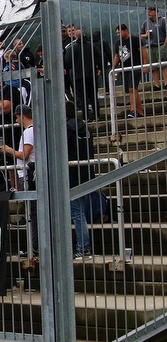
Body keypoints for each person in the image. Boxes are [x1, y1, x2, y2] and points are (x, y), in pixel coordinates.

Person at [0, 105, 37, 255]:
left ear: (22, 115)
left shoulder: (29, 131)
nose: (16, 120)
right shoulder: (34, 130)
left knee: (32, 213)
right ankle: (34, 246)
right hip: (29, 174)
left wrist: (9, 150)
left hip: (28, 175)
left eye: (16, 117)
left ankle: (34, 247)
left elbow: (25, 155)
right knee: (32, 212)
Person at [67, 101, 94, 259]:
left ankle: (83, 248)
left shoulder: (66, 129)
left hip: (72, 175)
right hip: (86, 173)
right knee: (80, 212)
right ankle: (83, 246)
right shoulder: (86, 129)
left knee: (77, 213)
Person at [111, 24, 148, 119]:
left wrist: (145, 65)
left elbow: (143, 51)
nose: (118, 34)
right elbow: (117, 56)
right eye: (117, 33)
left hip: (135, 67)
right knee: (132, 90)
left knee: (132, 89)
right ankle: (140, 112)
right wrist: (113, 68)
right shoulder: (118, 43)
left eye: (120, 32)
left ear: (125, 30)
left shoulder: (135, 40)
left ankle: (133, 110)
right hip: (125, 69)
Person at [140, 7, 166, 90]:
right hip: (150, 47)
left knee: (163, 65)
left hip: (161, 45)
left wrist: (164, 46)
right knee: (153, 67)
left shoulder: (163, 20)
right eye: (148, 12)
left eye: (150, 11)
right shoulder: (145, 23)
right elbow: (141, 35)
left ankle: (166, 83)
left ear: (155, 12)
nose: (149, 13)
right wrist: (146, 36)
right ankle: (157, 85)